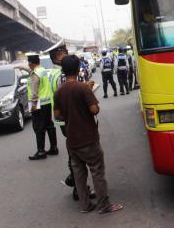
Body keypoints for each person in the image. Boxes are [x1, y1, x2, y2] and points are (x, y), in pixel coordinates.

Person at [53, 55, 123, 214]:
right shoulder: (83, 88)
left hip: (72, 140)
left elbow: (57, 115)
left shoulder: (59, 91)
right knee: (97, 171)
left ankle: (85, 206)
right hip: (88, 138)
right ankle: (104, 206)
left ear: (63, 70)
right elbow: (94, 110)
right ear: (78, 69)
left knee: (79, 174)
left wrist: (71, 114)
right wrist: (89, 94)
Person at [44, 39, 95, 201]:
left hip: (62, 119)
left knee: (73, 152)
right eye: (64, 53)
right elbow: (71, 95)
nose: (67, 56)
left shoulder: (52, 72)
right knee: (78, 155)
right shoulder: (62, 75)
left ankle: (76, 184)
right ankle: (78, 188)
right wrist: (87, 88)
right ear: (58, 57)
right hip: (70, 118)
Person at [27, 53, 58, 160]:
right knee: (49, 124)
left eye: (28, 63)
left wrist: (33, 106)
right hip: (47, 102)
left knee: (38, 127)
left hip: (38, 103)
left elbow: (34, 92)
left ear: (30, 63)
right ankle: (54, 148)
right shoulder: (43, 70)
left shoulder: (35, 74)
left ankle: (41, 151)